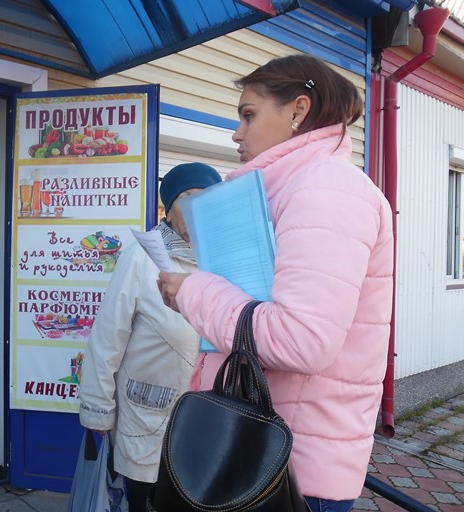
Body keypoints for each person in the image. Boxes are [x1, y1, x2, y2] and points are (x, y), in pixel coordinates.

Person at [157, 54, 394, 512]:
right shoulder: (291, 190)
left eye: (248, 115)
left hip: (288, 470)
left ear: (298, 111)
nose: (237, 133)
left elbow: (301, 339)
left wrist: (193, 292)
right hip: (263, 451)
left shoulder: (327, 190)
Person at [78, 162, 222, 512]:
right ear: (168, 210)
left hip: (206, 421)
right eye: (186, 197)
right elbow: (107, 338)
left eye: (206, 198)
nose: (196, 206)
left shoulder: (223, 263)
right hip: (147, 420)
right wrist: (99, 410)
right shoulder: (141, 259)